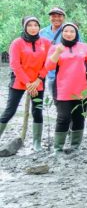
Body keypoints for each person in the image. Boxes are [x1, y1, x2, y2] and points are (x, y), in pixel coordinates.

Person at [44, 23, 87, 153]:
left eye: (72, 31)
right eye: (66, 31)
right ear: (62, 33)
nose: (69, 34)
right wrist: (57, 52)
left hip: (83, 89)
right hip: (63, 89)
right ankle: (58, 148)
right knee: (63, 118)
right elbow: (49, 66)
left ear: (76, 33)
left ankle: (75, 147)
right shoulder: (55, 48)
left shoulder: (84, 47)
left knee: (79, 117)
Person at [0, 17, 52, 151]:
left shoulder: (46, 43)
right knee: (9, 111)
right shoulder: (17, 43)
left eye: (36, 25)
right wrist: (28, 83)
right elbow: (15, 65)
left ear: (39, 27)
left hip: (38, 81)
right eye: (30, 25)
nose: (33, 28)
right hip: (19, 81)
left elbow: (49, 63)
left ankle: (37, 143)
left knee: (37, 111)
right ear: (24, 27)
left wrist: (38, 80)